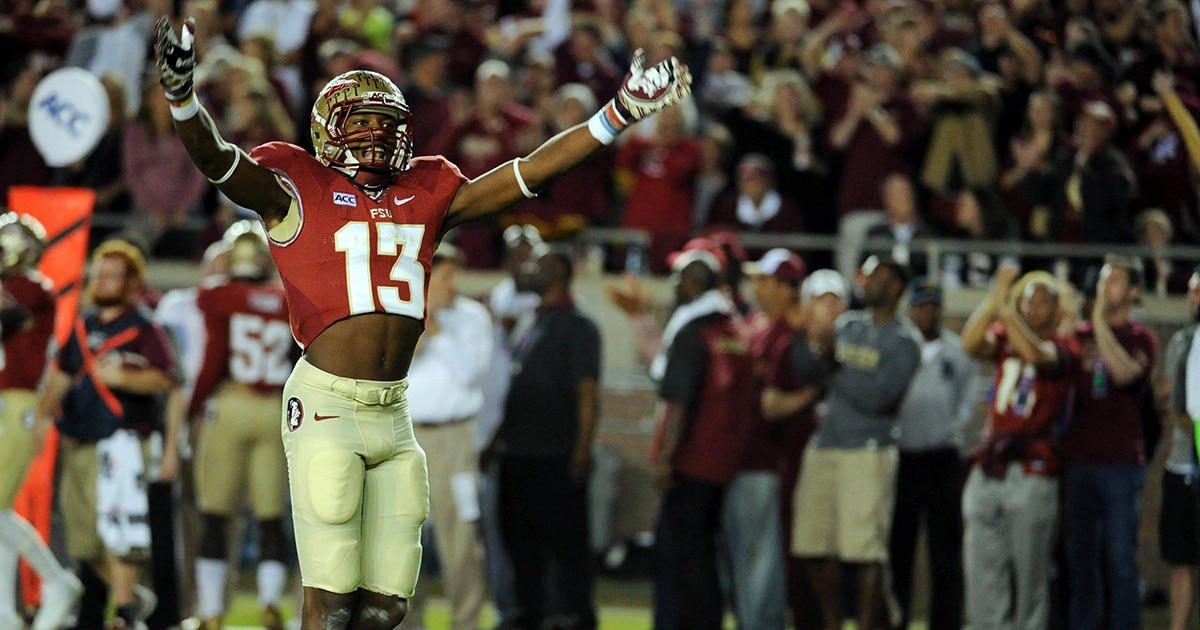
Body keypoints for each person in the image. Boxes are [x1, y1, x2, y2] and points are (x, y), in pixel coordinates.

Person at [154, 14, 692, 628]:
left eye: (387, 125)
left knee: (387, 606)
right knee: (331, 604)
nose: (378, 137)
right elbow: (217, 158)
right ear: (329, 129)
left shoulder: (427, 189)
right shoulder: (294, 186)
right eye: (363, 124)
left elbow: (529, 173)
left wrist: (618, 113)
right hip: (328, 404)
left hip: (393, 408)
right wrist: (183, 97)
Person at [34, 239, 182, 630]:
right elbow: (62, 374)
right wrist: (42, 417)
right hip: (80, 438)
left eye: (112, 275)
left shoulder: (145, 327)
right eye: (99, 274)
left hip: (123, 441)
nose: (102, 282)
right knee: (83, 537)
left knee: (120, 531)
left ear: (132, 282)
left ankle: (124, 612)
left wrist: (126, 378)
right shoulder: (84, 324)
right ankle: (132, 598)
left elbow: (168, 381)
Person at [790, 255, 920, 630]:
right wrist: (809, 343)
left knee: (864, 551)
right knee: (813, 545)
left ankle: (867, 624)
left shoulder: (904, 341)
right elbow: (810, 371)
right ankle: (833, 624)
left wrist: (833, 363)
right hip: (824, 444)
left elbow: (878, 397)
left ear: (896, 287)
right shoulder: (847, 325)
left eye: (878, 276)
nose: (868, 282)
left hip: (868, 450)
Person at [188, 223, 295, 630]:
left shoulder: (220, 296)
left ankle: (211, 611)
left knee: (215, 514)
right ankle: (270, 603)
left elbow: (213, 361)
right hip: (273, 410)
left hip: (232, 405)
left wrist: (195, 407)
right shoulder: (285, 299)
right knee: (270, 517)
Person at [960, 267, 1079, 630]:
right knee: (982, 566)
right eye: (1027, 300)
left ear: (1057, 310)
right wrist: (994, 300)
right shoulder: (1006, 334)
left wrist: (1005, 305)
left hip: (1033, 468)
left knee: (1030, 575)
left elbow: (1034, 353)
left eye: (1042, 301)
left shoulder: (1066, 347)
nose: (1032, 307)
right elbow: (970, 343)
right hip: (992, 462)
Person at [490, 249, 601, 630]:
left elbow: (587, 392)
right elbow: (516, 388)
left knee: (565, 546)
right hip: (519, 453)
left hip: (555, 454)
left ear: (558, 274)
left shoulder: (579, 325)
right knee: (519, 542)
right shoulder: (530, 320)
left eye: (538, 265)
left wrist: (582, 452)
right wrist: (495, 443)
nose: (529, 270)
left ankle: (573, 615)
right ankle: (529, 613)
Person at [650, 247, 755, 630]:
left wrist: (666, 458)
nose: (673, 285)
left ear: (693, 281)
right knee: (705, 558)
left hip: (690, 462)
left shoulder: (694, 331)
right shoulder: (734, 331)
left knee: (683, 561)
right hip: (722, 464)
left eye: (678, 277)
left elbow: (679, 401)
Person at [1063, 255, 1157, 630]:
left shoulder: (1141, 339)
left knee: (1120, 558)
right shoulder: (1078, 335)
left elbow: (1123, 375)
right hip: (1079, 461)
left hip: (1120, 464)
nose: (1105, 287)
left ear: (1133, 292)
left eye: (1115, 281)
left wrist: (1099, 323)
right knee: (1081, 557)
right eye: (1103, 279)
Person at [0, 214, 83, 630]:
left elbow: (10, 311)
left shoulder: (32, 288)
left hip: (18, 403)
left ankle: (56, 580)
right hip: (8, 399)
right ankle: (5, 612)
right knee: (0, 512)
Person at [405, 243, 491, 630]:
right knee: (402, 537)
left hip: (453, 439)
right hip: (407, 437)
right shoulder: (402, 313)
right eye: (445, 276)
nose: (453, 284)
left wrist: (438, 329)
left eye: (455, 275)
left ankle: (466, 621)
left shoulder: (472, 317)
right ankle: (407, 623)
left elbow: (471, 373)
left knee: (461, 537)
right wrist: (422, 323)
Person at [888, 277, 978, 630]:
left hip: (942, 457)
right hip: (903, 454)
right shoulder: (898, 347)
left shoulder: (957, 352)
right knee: (899, 545)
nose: (928, 313)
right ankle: (896, 618)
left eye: (933, 307)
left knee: (946, 547)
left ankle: (946, 622)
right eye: (921, 307)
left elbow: (969, 399)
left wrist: (953, 429)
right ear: (910, 310)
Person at [1158, 267, 1200, 630]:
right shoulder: (1182, 342)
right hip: (1184, 463)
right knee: (1181, 556)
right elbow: (1176, 405)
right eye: (1192, 291)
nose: (1194, 299)